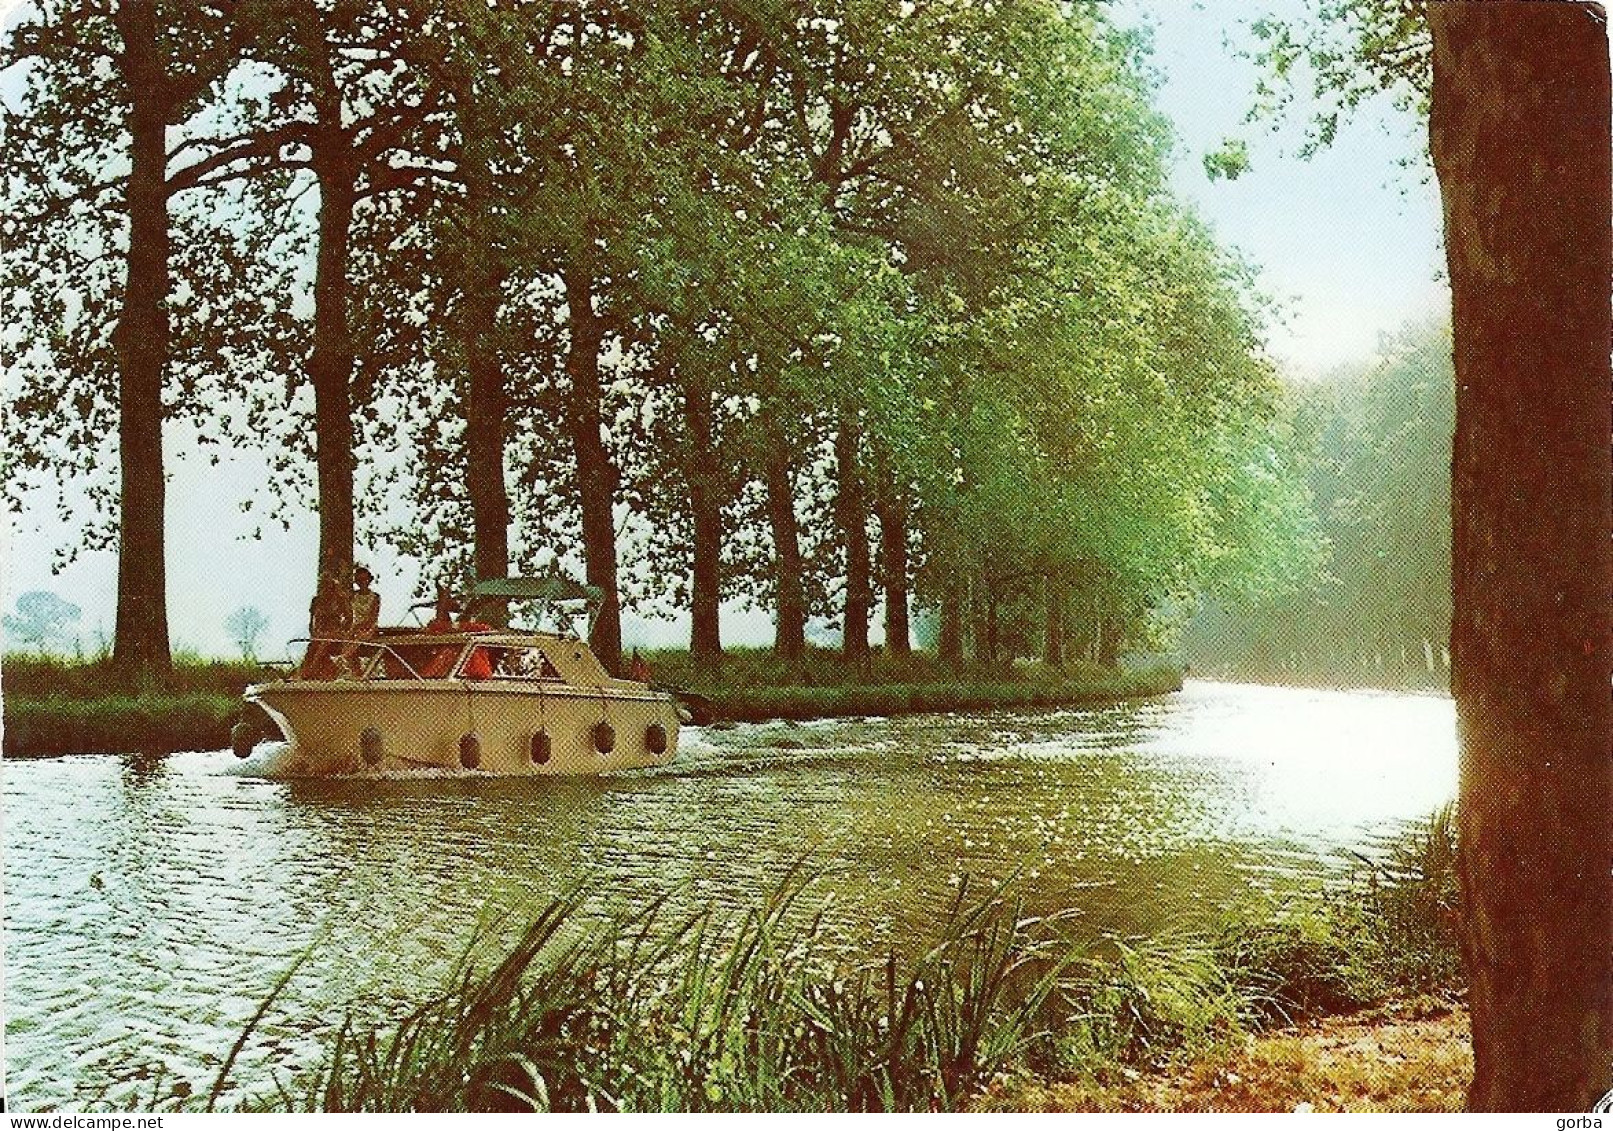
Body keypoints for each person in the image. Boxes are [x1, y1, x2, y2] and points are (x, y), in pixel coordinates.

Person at [300, 573, 350, 679]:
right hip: (320, 633)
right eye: (323, 584)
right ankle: (304, 672)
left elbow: (349, 618)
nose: (326, 588)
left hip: (335, 634)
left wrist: (341, 631)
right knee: (313, 646)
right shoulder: (316, 600)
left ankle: (310, 671)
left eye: (328, 585)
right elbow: (311, 620)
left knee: (324, 644)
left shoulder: (340, 599)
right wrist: (314, 633)